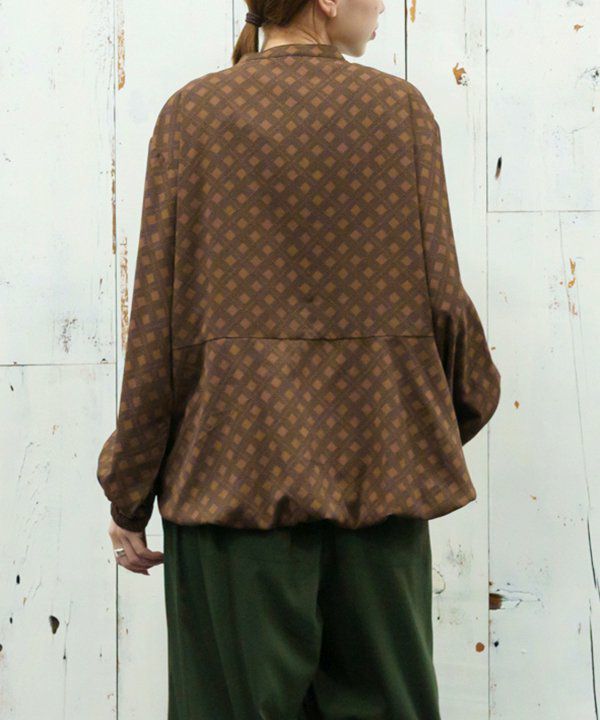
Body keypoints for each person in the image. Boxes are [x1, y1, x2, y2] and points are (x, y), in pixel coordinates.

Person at [96, 0, 501, 717]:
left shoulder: (193, 116)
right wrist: (427, 431)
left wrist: (129, 487)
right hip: (377, 496)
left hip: (229, 496)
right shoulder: (399, 112)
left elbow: (156, 322)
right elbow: (444, 304)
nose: (384, 5)